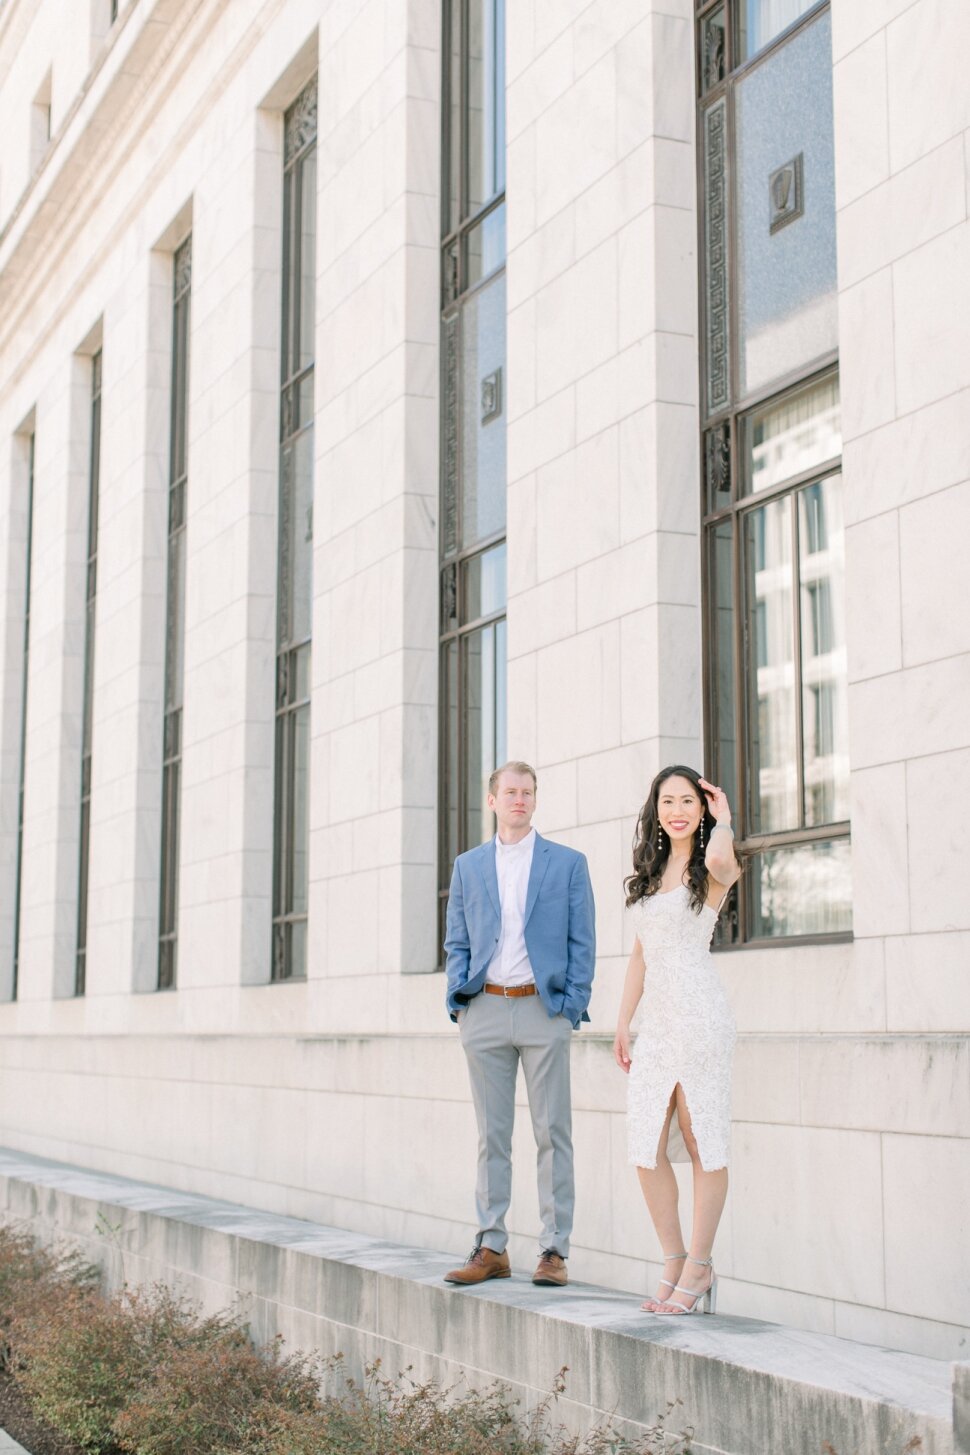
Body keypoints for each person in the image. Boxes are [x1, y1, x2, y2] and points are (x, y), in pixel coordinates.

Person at [443, 761, 596, 1289]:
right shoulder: (467, 865)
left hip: (543, 1010)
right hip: (483, 1009)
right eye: (510, 792)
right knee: (493, 1135)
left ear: (535, 800)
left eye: (527, 792)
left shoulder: (567, 864)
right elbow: (457, 940)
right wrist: (458, 1002)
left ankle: (554, 1251)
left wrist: (571, 1004)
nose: (519, 800)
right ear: (492, 800)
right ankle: (491, 1246)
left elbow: (583, 941)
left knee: (553, 1131)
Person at [613, 765, 741, 1316]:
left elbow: (721, 861)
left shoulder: (709, 866)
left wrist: (725, 820)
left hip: (700, 1014)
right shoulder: (648, 872)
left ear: (702, 807)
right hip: (659, 1022)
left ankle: (700, 1264)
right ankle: (673, 1257)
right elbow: (641, 953)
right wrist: (623, 1021)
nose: (678, 810)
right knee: (645, 1142)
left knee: (700, 1134)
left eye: (688, 800)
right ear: (656, 809)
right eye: (668, 801)